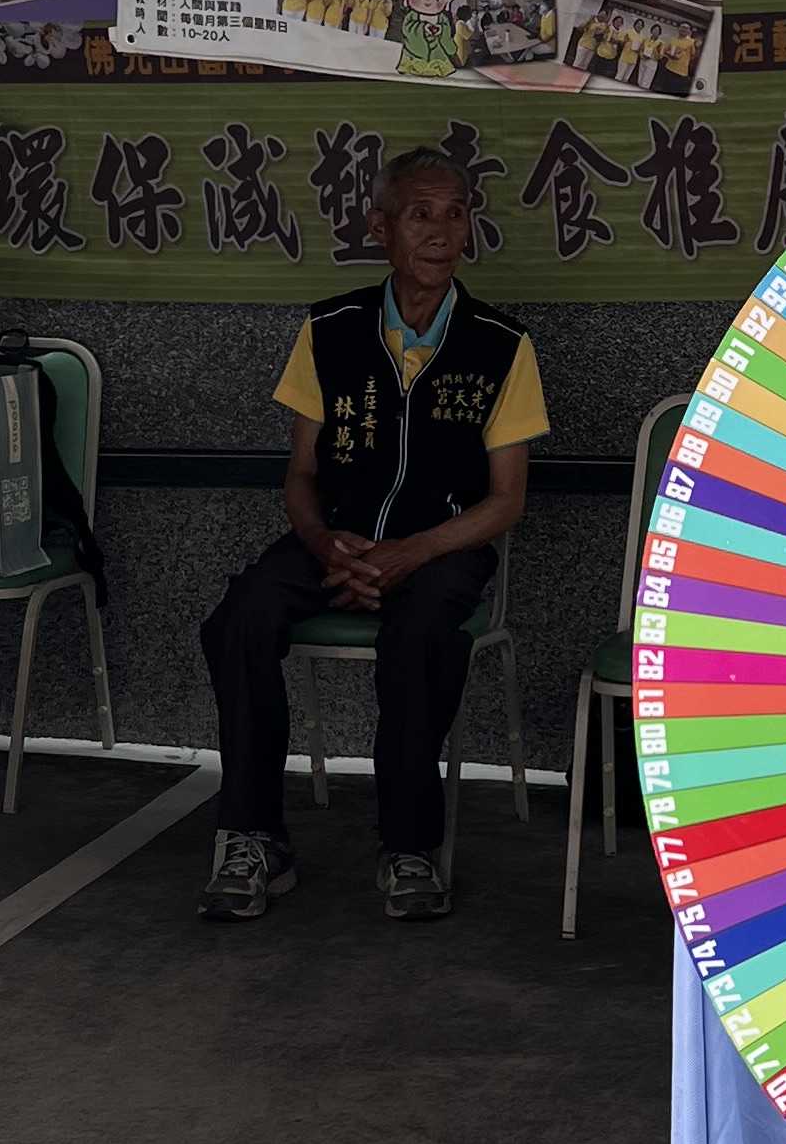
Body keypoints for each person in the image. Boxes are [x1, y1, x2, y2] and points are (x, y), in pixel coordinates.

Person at [197, 151, 545, 924]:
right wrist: (327, 546)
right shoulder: (330, 330)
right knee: (240, 619)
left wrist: (410, 554)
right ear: (380, 228)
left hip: (442, 548)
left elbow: (506, 501)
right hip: (336, 541)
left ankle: (409, 847)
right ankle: (252, 837)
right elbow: (299, 474)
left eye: (456, 213)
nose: (442, 232)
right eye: (421, 214)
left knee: (420, 636)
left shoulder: (501, 344)